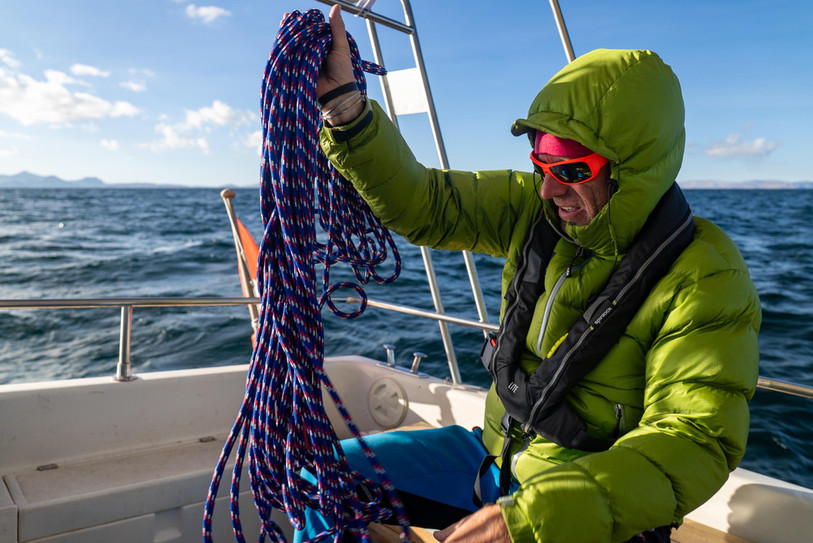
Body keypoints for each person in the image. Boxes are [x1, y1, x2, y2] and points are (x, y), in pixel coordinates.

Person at [298, 5, 761, 542]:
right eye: (541, 163)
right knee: (320, 478)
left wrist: (539, 514)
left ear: (633, 169)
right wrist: (347, 109)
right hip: (494, 457)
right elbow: (427, 204)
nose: (547, 189)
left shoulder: (706, 273)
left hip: (580, 503)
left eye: (570, 170)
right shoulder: (531, 210)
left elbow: (694, 439)